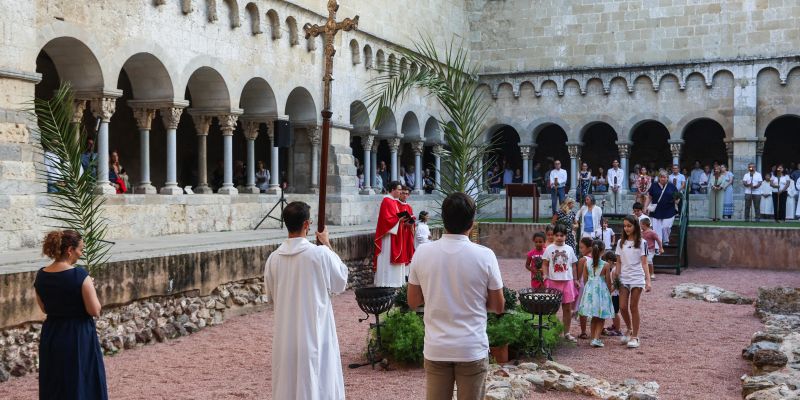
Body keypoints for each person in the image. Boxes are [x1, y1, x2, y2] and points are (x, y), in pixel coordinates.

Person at [407, 193, 504, 400]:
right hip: (471, 346)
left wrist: (436, 294)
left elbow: (413, 301)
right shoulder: (485, 255)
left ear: (443, 219)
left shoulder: (422, 253)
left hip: (437, 346)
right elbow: (498, 305)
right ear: (472, 221)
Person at [263, 202, 349, 400]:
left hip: (286, 336)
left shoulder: (274, 258)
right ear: (307, 224)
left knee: (289, 386)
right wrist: (327, 243)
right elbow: (340, 282)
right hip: (316, 331)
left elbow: (271, 297)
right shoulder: (320, 254)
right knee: (318, 382)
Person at [35, 230, 108, 399]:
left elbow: (44, 308)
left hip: (52, 334)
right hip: (78, 334)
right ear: (69, 250)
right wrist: (90, 287)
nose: (81, 253)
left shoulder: (41, 275)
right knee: (81, 380)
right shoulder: (80, 275)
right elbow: (95, 310)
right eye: (80, 249)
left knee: (54, 380)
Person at [615, 215, 651, 349]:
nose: (626, 228)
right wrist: (616, 278)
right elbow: (618, 261)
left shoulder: (642, 243)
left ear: (636, 226)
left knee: (633, 306)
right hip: (624, 277)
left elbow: (644, 262)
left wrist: (648, 281)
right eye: (624, 226)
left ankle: (635, 337)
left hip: (637, 277)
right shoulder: (620, 242)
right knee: (622, 306)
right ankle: (629, 329)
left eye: (629, 226)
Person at [542, 223, 580, 343]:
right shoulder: (549, 249)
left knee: (567, 309)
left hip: (567, 281)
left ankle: (567, 332)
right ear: (553, 236)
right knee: (552, 309)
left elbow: (574, 265)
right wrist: (545, 275)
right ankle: (551, 331)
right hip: (553, 282)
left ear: (565, 236)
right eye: (557, 235)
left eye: (562, 235)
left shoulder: (569, 249)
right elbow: (545, 263)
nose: (559, 237)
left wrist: (576, 279)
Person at [577, 239, 615, 348]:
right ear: (603, 251)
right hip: (602, 292)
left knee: (594, 316)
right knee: (601, 317)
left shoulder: (586, 263)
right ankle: (596, 338)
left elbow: (585, 280)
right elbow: (608, 281)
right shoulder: (606, 265)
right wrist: (609, 292)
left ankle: (593, 337)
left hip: (590, 292)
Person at [373, 181, 409, 287]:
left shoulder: (393, 201)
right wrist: (399, 219)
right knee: (387, 257)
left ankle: (395, 282)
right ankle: (386, 282)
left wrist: (403, 220)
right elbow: (386, 220)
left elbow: (394, 217)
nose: (400, 191)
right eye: (398, 189)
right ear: (392, 190)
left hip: (395, 233)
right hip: (388, 235)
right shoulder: (387, 200)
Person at [645, 169, 678, 246]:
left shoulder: (672, 186)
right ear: (659, 178)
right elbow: (649, 197)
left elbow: (677, 197)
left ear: (667, 178)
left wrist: (677, 200)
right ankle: (657, 246)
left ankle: (666, 240)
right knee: (656, 230)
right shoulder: (654, 185)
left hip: (669, 210)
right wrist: (645, 207)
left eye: (665, 177)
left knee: (666, 227)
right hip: (656, 210)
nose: (663, 179)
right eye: (662, 177)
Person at [574, 237, 593, 340]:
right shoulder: (597, 259)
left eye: (582, 247)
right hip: (594, 286)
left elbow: (578, 275)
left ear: (589, 248)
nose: (580, 250)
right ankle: (595, 331)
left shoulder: (583, 260)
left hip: (583, 285)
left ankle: (583, 331)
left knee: (582, 308)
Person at [601, 251, 623, 337]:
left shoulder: (614, 270)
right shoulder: (615, 268)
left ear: (609, 261)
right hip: (615, 294)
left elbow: (616, 284)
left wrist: (609, 291)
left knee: (614, 312)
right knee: (613, 311)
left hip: (615, 294)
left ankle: (617, 329)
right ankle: (615, 326)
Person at [397, 186, 417, 264]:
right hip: (399, 233)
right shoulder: (396, 205)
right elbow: (394, 220)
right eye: (403, 193)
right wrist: (402, 223)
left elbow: (412, 218)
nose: (405, 195)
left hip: (407, 232)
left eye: (407, 194)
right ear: (400, 193)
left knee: (408, 251)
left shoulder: (409, 207)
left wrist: (412, 222)